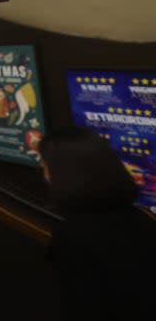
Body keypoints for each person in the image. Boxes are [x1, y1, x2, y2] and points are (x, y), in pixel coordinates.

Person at [39, 126, 156, 320]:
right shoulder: (142, 217)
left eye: (45, 167)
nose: (45, 175)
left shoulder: (72, 235)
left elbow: (80, 305)